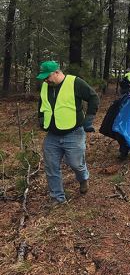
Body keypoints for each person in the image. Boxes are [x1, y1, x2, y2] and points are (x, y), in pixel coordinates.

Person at [37, 61, 99, 205]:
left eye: (48, 76)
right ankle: (58, 199)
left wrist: (89, 119)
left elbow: (93, 97)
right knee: (51, 166)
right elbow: (42, 103)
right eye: (44, 77)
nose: (46, 80)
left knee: (76, 164)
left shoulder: (75, 82)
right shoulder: (46, 86)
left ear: (57, 72)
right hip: (52, 134)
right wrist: (40, 117)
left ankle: (83, 179)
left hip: (74, 132)